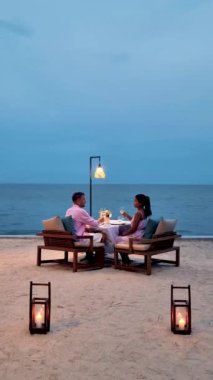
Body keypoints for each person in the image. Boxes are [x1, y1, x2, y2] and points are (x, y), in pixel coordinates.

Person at [65, 192, 105, 262]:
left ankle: (89, 256)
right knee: (103, 236)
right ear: (78, 200)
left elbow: (77, 224)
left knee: (90, 233)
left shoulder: (69, 210)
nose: (85, 201)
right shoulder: (80, 211)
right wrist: (101, 219)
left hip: (70, 238)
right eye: (83, 199)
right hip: (78, 238)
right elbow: (94, 224)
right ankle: (98, 259)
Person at [116, 194, 152, 264]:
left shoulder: (138, 214)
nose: (134, 202)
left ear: (140, 203)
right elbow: (135, 222)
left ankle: (125, 261)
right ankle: (126, 259)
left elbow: (133, 229)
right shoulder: (144, 212)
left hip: (136, 236)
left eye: (135, 201)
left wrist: (124, 234)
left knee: (116, 239)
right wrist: (126, 215)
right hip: (141, 234)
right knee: (120, 235)